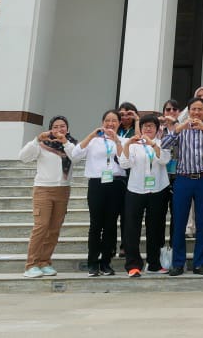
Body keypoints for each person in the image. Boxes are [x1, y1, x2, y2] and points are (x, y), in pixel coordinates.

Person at [161, 96, 203, 275]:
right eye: (193, 109)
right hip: (183, 179)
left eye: (200, 109)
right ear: (188, 111)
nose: (196, 112)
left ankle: (199, 263)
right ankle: (178, 263)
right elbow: (163, 145)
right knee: (179, 221)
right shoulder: (180, 129)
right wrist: (177, 129)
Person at [19, 115, 79, 278]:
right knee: (41, 226)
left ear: (68, 129)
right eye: (56, 126)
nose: (60, 129)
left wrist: (65, 142)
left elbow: (76, 157)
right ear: (50, 129)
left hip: (63, 190)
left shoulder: (71, 144)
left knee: (54, 229)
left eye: (63, 126)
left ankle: (45, 262)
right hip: (43, 190)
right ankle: (31, 264)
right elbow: (23, 157)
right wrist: (36, 139)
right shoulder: (41, 144)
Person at [71, 109, 127, 276]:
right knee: (96, 224)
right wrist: (90, 136)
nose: (110, 124)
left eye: (114, 121)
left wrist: (117, 141)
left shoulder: (124, 140)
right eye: (107, 120)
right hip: (97, 184)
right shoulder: (93, 141)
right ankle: (92, 263)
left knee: (110, 225)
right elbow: (75, 155)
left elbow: (125, 162)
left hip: (116, 184)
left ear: (119, 123)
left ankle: (106, 262)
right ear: (102, 122)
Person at [119, 114, 172, 277]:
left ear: (157, 129)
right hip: (136, 189)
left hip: (158, 189)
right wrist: (128, 143)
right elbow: (124, 163)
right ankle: (133, 265)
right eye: (145, 126)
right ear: (140, 128)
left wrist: (152, 144)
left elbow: (164, 160)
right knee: (132, 228)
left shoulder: (162, 143)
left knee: (156, 227)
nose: (148, 128)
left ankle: (154, 263)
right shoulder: (134, 145)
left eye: (151, 126)